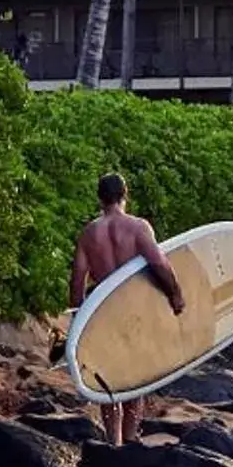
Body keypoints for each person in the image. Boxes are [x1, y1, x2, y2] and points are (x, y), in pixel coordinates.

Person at [70, 172, 185, 445]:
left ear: (100, 198)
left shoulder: (89, 233)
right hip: (135, 312)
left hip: (104, 312)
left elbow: (77, 278)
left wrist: (78, 317)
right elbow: (158, 263)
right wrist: (175, 293)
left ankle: (113, 442)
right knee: (135, 377)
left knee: (109, 378)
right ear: (125, 194)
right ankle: (131, 440)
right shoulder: (137, 227)